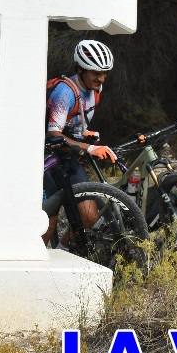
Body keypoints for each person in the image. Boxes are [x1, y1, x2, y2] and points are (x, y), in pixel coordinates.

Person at [43, 39, 119, 244]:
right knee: (46, 226)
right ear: (80, 69)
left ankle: (64, 252)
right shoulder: (64, 93)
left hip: (69, 157)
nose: (101, 79)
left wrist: (85, 133)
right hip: (47, 159)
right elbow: (54, 135)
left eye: (105, 73)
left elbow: (76, 122)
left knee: (89, 217)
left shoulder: (95, 91)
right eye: (96, 73)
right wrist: (91, 148)